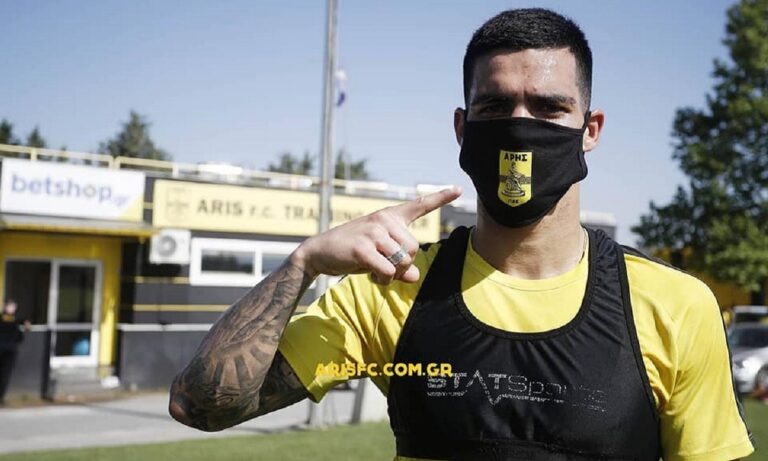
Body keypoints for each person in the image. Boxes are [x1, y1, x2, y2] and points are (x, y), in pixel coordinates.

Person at [169, 8, 754, 460]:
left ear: (590, 129)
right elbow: (200, 406)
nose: (520, 127)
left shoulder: (675, 305)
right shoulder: (391, 290)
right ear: (462, 126)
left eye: (548, 108)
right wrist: (303, 264)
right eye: (495, 107)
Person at [0, 299, 30, 405]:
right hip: (6, 348)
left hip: (10, 350)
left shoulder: (15, 318)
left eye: (12, 306)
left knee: (5, 375)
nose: (11, 308)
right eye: (9, 306)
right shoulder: (7, 318)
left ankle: (1, 397)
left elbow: (23, 323)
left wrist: (26, 323)